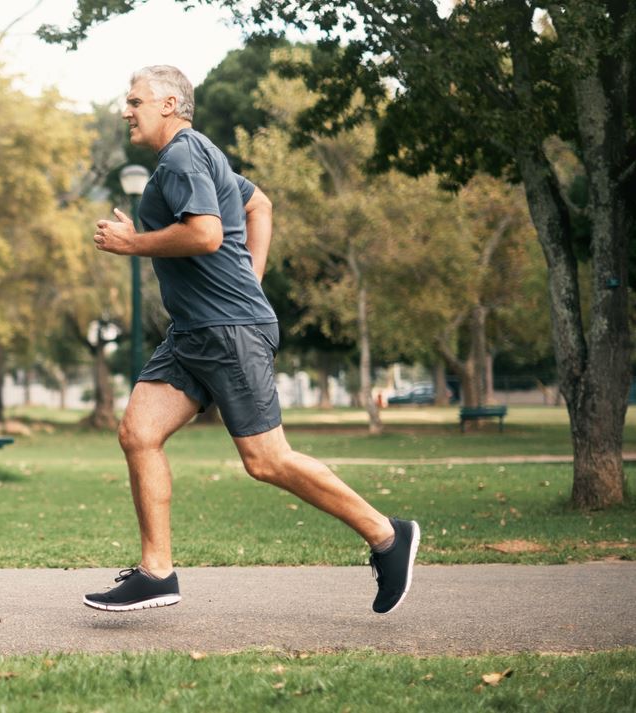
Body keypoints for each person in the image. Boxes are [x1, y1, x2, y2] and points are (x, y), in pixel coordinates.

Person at [83, 65, 419, 615]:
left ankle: (387, 535)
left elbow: (207, 233)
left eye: (135, 100)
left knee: (265, 460)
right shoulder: (196, 156)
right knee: (138, 432)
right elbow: (258, 203)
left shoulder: (185, 155)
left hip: (228, 331)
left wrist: (133, 243)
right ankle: (156, 573)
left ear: (170, 105)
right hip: (195, 331)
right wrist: (251, 278)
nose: (126, 110)